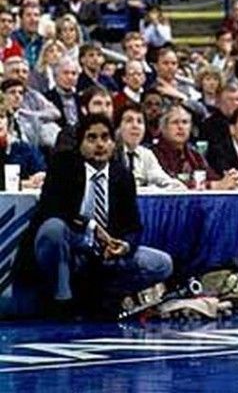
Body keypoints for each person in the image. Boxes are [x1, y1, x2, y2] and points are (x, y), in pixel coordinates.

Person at [28, 113, 173, 317]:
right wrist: (92, 228)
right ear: (80, 143)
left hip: (105, 252)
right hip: (73, 241)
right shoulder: (63, 166)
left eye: (105, 138)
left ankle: (102, 297)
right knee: (52, 229)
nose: (99, 144)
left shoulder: (122, 175)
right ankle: (63, 301)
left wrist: (125, 245)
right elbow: (51, 208)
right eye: (92, 138)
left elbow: (134, 226)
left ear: (114, 143)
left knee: (162, 263)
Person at [117, 106, 186, 191]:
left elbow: (161, 179)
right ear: (118, 128)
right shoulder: (110, 153)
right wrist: (151, 189)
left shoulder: (146, 154)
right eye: (129, 121)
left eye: (140, 122)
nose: (135, 126)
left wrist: (176, 185)